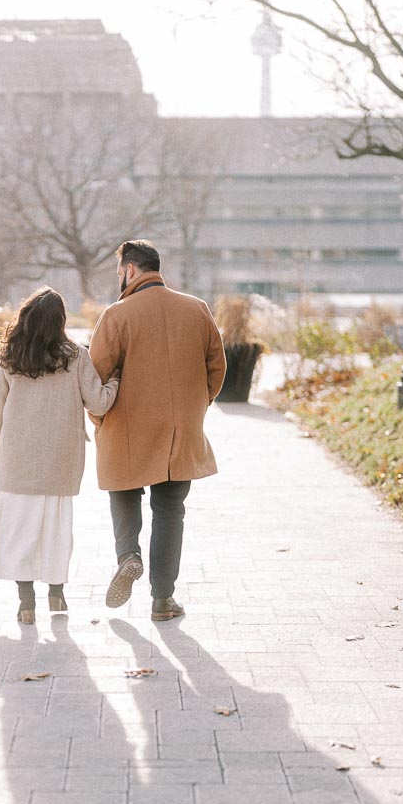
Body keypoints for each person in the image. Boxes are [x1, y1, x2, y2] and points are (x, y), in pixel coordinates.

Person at [88, 239, 226, 621]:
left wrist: (102, 422)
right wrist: (195, 406)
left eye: (119, 272)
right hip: (181, 430)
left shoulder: (117, 315)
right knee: (169, 511)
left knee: (123, 490)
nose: (119, 278)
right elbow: (217, 369)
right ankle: (163, 599)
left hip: (127, 426)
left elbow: (95, 378)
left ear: (130, 270)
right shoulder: (197, 309)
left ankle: (128, 554)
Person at [0, 286, 119, 623]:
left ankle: (26, 603)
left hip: (17, 462)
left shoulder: (8, 356)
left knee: (20, 533)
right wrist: (115, 380)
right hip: (60, 461)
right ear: (60, 321)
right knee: (56, 531)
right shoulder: (75, 356)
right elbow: (99, 402)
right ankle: (56, 595)